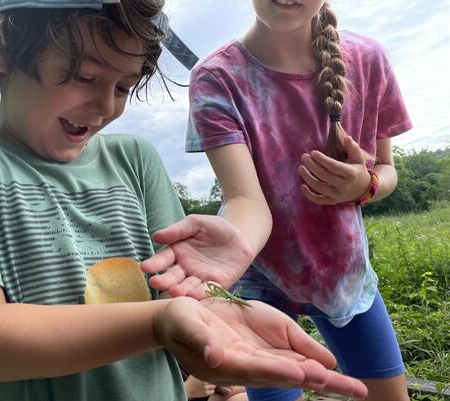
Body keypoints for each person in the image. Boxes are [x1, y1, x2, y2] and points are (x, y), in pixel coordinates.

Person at [0, 1, 369, 401]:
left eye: (123, 86)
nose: (106, 106)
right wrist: (160, 322)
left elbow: (183, 298)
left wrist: (215, 319)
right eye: (83, 75)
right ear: (0, 48)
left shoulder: (134, 160)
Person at [142, 1, 412, 401]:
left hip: (345, 277)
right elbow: (244, 198)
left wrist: (365, 185)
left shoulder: (369, 60)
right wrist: (232, 243)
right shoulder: (215, 77)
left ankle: (216, 387)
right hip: (258, 285)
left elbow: (386, 170)